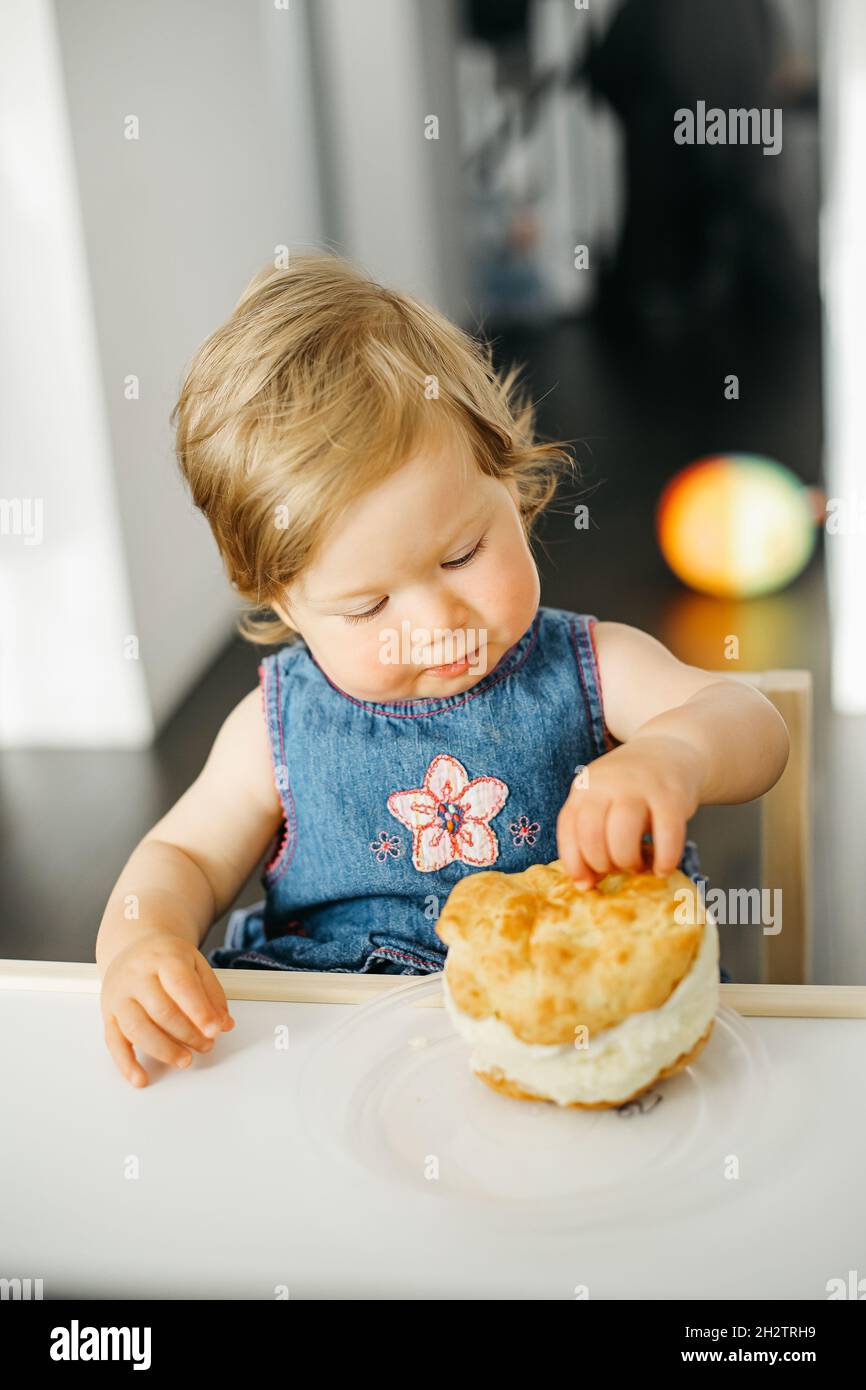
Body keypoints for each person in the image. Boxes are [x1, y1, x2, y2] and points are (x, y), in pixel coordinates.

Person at [95, 253, 789, 1086]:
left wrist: (678, 752)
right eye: (366, 608)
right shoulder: (276, 729)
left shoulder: (590, 666)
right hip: (336, 1065)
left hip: (587, 1031)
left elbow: (750, 721)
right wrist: (145, 943)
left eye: (462, 555)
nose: (435, 624)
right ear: (287, 608)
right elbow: (184, 857)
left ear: (511, 481)